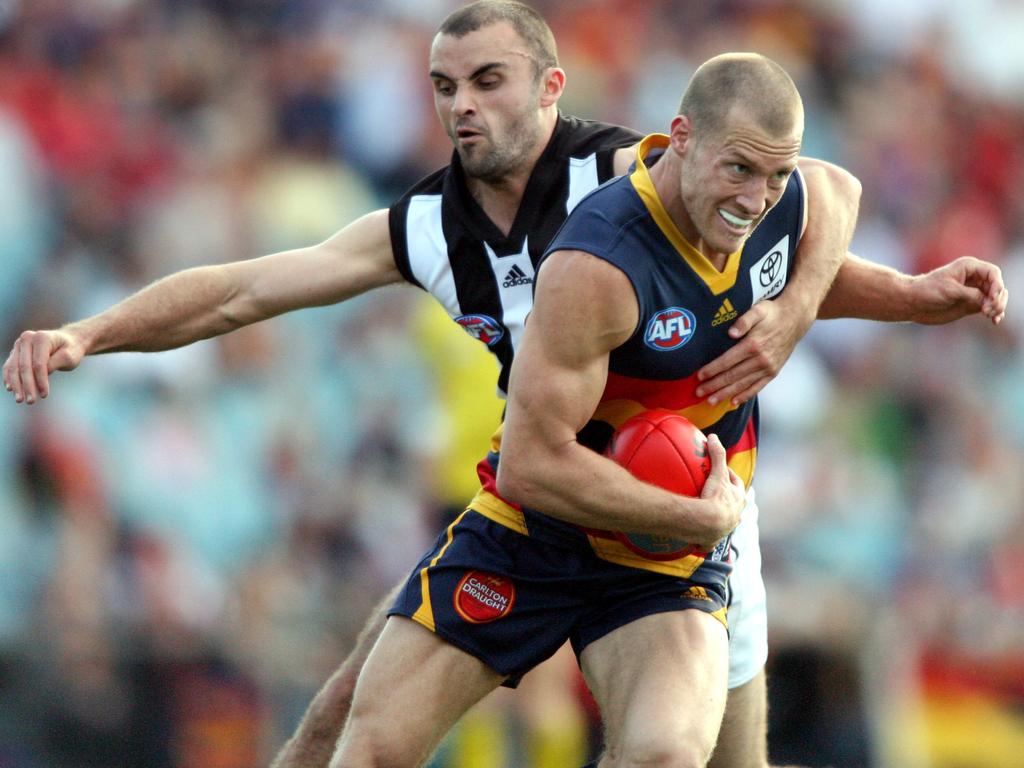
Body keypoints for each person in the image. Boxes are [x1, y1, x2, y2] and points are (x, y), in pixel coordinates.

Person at [1, 3, 1007, 767]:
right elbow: (243, 291)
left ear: (550, 87)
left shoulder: (636, 173)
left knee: (710, 752)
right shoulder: (428, 228)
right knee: (342, 714)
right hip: (535, 497)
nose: (462, 106)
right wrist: (92, 330)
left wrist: (819, 313)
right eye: (444, 87)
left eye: (487, 80)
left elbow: (809, 197)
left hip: (689, 498)